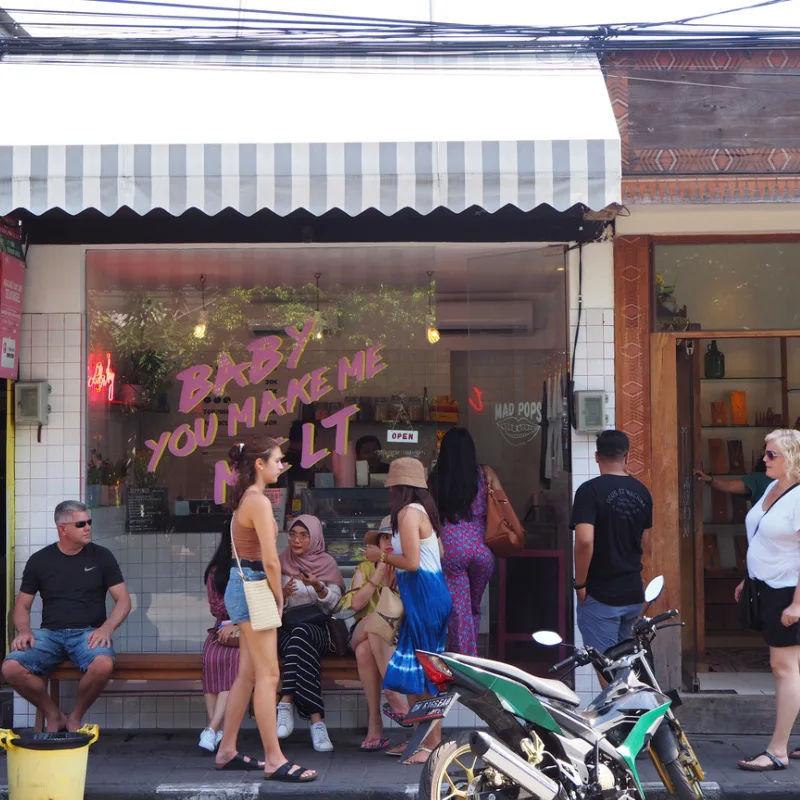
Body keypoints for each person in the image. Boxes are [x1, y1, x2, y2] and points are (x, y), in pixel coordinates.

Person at [215, 437, 316, 782]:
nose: (281, 465)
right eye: (277, 460)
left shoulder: (247, 498)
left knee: (248, 674)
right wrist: (279, 596)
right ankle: (274, 758)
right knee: (269, 675)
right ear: (259, 464)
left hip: (242, 584)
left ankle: (227, 749)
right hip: (255, 585)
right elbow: (271, 560)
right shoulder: (257, 501)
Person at [2, 500, 131, 732]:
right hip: (50, 634)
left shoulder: (102, 557)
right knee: (10, 668)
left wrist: (106, 628)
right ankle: (54, 715)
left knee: (102, 664)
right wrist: (24, 631)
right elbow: (22, 606)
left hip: (88, 633)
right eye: (81, 523)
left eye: (89, 522)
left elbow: (123, 600)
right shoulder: (40, 561)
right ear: (63, 529)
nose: (88, 527)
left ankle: (75, 717)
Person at [364, 457, 452, 765]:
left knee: (428, 677)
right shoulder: (422, 512)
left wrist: (382, 556)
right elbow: (437, 553)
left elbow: (413, 563)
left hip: (425, 599)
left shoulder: (406, 514)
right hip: (429, 597)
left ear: (398, 488)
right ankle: (420, 741)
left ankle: (433, 746)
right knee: (418, 674)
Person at [736, 430, 800, 773]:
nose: (764, 459)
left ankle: (778, 749)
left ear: (792, 457)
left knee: (783, 667)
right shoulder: (772, 489)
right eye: (766, 453)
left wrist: (797, 604)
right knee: (793, 667)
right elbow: (762, 537)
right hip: (766, 586)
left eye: (772, 454)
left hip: (788, 591)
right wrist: (749, 576)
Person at [572, 430, 653, 654]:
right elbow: (647, 544)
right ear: (627, 457)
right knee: (624, 663)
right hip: (632, 593)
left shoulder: (589, 492)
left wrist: (579, 584)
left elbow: (585, 540)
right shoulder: (642, 492)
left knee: (606, 666)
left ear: (596, 456)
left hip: (601, 595)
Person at [277, 514, 344, 752]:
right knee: (298, 640)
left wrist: (318, 586)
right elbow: (270, 605)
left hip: (318, 631)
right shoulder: (280, 562)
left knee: (302, 636)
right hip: (287, 631)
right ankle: (317, 723)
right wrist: (282, 594)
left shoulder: (327, 564)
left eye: (304, 535)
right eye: (293, 534)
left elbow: (335, 607)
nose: (297, 540)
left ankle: (286, 703)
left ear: (314, 537)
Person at [428, 427, 496, 656]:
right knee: (474, 608)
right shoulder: (483, 475)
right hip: (482, 550)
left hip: (452, 550)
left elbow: (429, 515)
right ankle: (472, 654)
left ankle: (466, 665)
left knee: (460, 613)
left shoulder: (436, 479)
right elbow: (500, 502)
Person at [346, 516, 409, 751]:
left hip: (396, 635)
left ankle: (375, 724)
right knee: (373, 622)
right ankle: (392, 692)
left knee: (364, 651)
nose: (389, 541)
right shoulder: (364, 567)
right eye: (384, 537)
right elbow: (356, 605)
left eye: (394, 536)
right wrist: (379, 571)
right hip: (362, 629)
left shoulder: (407, 566)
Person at [198, 526, 241, 753]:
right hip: (221, 628)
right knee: (211, 660)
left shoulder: (253, 567)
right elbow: (216, 607)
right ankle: (218, 731)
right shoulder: (217, 571)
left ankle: (212, 728)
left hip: (248, 630)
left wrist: (238, 620)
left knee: (233, 664)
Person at [695, 458, 772, 506]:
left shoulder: (761, 479)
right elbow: (729, 486)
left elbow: (729, 486)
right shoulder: (760, 479)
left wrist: (709, 480)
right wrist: (709, 479)